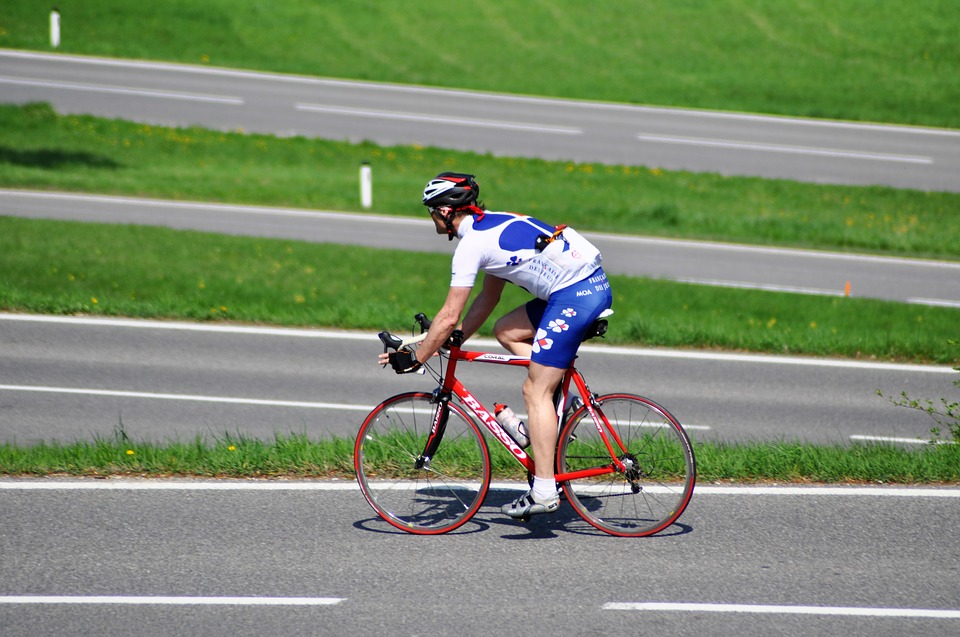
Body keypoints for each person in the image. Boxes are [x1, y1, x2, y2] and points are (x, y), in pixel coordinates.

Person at [379, 172, 613, 519]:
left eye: (431, 210)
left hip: (574, 295)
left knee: (534, 391)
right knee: (507, 330)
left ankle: (545, 491)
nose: (430, 217)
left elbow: (448, 314)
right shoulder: (488, 226)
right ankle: (558, 397)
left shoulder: (471, 246)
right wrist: (457, 337)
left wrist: (417, 356)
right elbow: (488, 298)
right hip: (581, 286)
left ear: (445, 211)